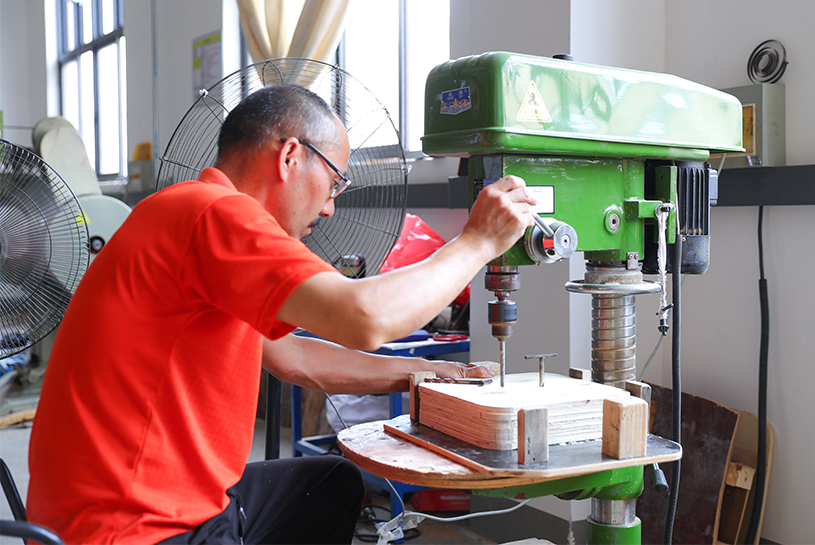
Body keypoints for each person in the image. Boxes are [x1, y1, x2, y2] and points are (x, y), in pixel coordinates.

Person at [26, 84, 537, 544]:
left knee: (331, 485)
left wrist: (425, 372)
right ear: (290, 156)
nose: (330, 207)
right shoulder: (215, 212)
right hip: (133, 529)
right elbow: (364, 318)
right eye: (334, 182)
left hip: (87, 513)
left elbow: (293, 357)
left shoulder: (179, 214)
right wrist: (478, 242)